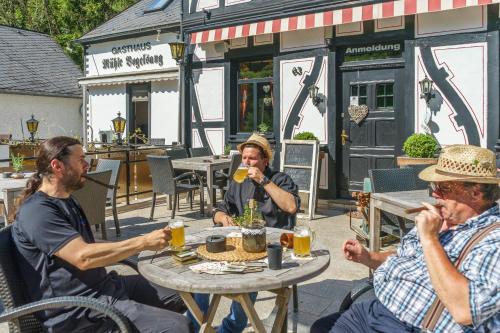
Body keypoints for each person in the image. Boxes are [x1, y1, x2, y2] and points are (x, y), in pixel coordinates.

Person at [311, 144, 499, 333]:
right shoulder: (441, 218)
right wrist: (368, 257)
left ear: (476, 193)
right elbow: (404, 256)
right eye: (434, 186)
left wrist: (430, 239)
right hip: (376, 310)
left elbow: (464, 310)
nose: (435, 194)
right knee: (321, 328)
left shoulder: (492, 240)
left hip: (412, 326)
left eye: (444, 188)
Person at [12, 137, 192, 333]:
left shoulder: (66, 200)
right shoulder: (38, 212)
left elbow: (83, 242)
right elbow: (83, 257)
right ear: (57, 166)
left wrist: (145, 244)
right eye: (80, 159)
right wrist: (142, 242)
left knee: (186, 288)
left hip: (105, 288)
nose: (87, 164)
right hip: (79, 310)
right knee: (178, 326)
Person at [193, 133, 300, 333]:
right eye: (244, 157)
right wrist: (223, 218)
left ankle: (229, 329)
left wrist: (264, 181)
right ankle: (195, 323)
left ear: (265, 161)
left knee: (246, 285)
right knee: (200, 273)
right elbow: (220, 209)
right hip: (241, 244)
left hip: (271, 246)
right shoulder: (238, 182)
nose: (246, 162)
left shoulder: (280, 179)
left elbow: (291, 206)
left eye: (251, 158)